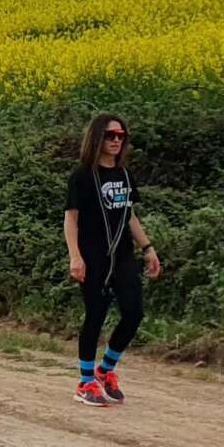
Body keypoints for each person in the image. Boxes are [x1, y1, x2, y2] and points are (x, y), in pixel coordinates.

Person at [64, 112, 161, 407]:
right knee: (95, 315)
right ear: (97, 138)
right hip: (92, 255)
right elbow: (71, 219)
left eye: (121, 136)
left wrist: (148, 248)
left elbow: (129, 215)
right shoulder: (82, 175)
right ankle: (85, 382)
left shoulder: (125, 174)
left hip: (122, 255)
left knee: (134, 313)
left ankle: (105, 371)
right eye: (110, 135)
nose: (117, 140)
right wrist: (75, 257)